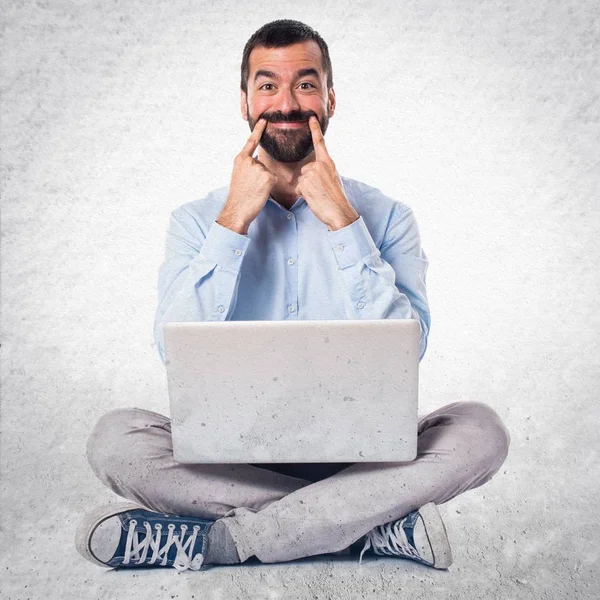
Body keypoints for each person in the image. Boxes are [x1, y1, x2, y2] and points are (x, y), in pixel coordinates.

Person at [75, 19, 510, 573]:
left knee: (481, 430)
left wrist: (344, 224)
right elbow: (172, 347)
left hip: (365, 461)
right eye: (267, 85)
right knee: (115, 440)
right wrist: (233, 222)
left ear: (330, 99)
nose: (285, 103)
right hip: (234, 460)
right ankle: (369, 528)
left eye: (305, 84)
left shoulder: (388, 218)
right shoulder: (195, 221)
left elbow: (410, 347)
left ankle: (222, 543)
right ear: (244, 102)